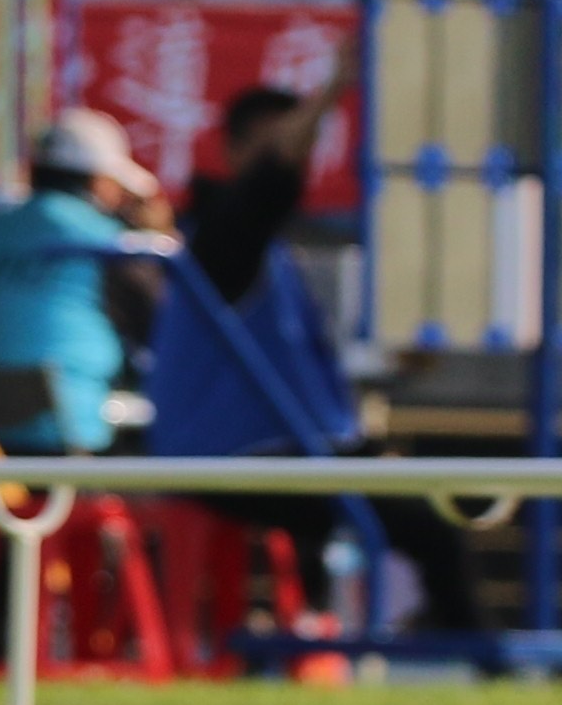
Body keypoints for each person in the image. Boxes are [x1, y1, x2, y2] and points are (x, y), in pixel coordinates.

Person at [144, 81, 485, 639]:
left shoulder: (268, 252)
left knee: (443, 496)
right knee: (428, 523)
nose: (297, 154)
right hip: (236, 459)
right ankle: (475, 650)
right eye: (281, 143)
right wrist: (335, 83)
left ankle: (410, 629)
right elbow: (273, 177)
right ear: (232, 152)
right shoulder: (224, 238)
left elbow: (291, 376)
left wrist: (387, 374)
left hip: (286, 450)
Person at [0, 111, 175, 455]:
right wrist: (156, 234)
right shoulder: (110, 242)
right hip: (59, 442)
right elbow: (166, 330)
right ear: (101, 182)